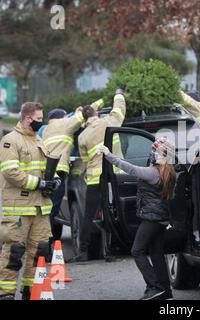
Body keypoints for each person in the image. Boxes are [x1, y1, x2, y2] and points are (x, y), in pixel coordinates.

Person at [0, 102, 61, 300]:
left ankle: (30, 292)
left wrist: (55, 179)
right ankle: (6, 294)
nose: (40, 123)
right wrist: (39, 183)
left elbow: (45, 168)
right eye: (39, 120)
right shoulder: (10, 141)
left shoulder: (38, 140)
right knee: (14, 254)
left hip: (40, 209)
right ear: (27, 119)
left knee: (39, 253)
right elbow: (10, 172)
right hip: (19, 209)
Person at [99, 136, 176, 300]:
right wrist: (159, 142)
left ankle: (154, 286)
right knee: (156, 254)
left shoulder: (152, 173)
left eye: (155, 151)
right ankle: (166, 292)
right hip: (161, 218)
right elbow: (158, 156)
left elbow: (131, 169)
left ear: (161, 155)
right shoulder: (167, 171)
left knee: (137, 250)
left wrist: (109, 155)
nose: (152, 153)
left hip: (152, 219)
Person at [67, 90, 125, 262]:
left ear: (84, 120)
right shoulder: (108, 122)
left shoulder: (83, 136)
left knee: (88, 216)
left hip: (93, 179)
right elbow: (119, 110)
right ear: (97, 114)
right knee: (110, 213)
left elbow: (84, 160)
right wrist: (118, 95)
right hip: (111, 178)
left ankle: (83, 251)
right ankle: (110, 252)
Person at [41, 99, 104, 243]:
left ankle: (44, 244)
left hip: (48, 172)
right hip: (60, 171)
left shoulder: (46, 130)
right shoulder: (65, 124)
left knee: (49, 209)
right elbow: (84, 114)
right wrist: (99, 102)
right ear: (63, 117)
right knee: (53, 210)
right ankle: (45, 246)